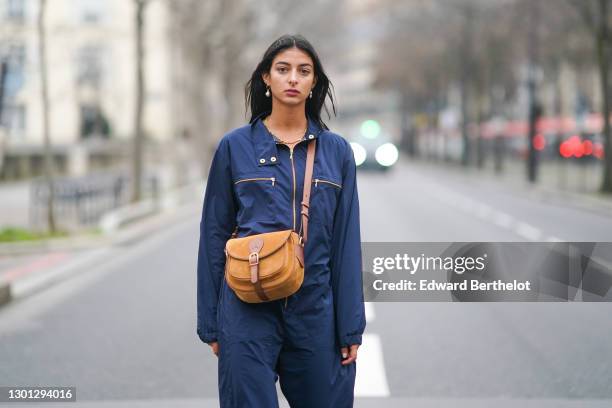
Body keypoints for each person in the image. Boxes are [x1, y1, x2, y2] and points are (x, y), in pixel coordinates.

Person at [196, 34, 366, 408]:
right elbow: (214, 234)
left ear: (314, 83)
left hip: (315, 307)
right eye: (283, 69)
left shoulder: (336, 152)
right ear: (266, 79)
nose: (293, 78)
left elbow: (345, 242)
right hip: (247, 305)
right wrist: (211, 322)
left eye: (304, 71)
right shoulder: (234, 147)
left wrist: (350, 325)